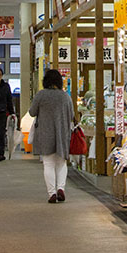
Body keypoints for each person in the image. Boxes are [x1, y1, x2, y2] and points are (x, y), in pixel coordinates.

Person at [29, 68, 74, 203]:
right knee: (61, 163)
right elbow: (71, 115)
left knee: (48, 163)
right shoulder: (65, 96)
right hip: (62, 133)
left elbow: (32, 112)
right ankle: (61, 188)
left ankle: (52, 193)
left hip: (45, 133)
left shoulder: (41, 95)